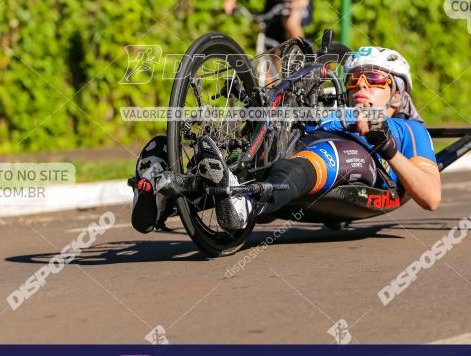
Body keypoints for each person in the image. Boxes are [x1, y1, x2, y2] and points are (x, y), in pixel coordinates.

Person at [129, 46, 441, 234]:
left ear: (397, 95)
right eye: (353, 80)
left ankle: (246, 204)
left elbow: (431, 196)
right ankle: (166, 190)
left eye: (374, 80)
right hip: (299, 154)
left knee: (329, 153)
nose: (361, 85)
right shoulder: (331, 111)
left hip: (360, 163)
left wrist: (385, 144)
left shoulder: (407, 130)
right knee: (258, 150)